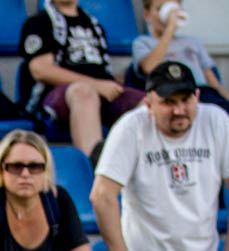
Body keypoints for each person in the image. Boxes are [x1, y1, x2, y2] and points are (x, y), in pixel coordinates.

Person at [90, 62, 229, 251]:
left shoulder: (216, 120)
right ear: (148, 104)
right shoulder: (131, 126)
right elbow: (101, 195)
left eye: (186, 100)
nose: (179, 110)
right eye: (168, 102)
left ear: (198, 97)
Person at [19, 0, 145, 161]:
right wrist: (95, 85)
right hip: (60, 97)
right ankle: (94, 167)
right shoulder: (38, 22)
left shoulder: (93, 24)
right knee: (84, 92)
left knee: (152, 102)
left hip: (103, 91)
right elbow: (40, 70)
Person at [131, 0, 229, 144]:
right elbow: (149, 67)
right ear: (147, 14)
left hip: (203, 93)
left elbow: (212, 80)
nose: (167, 14)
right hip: (168, 94)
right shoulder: (142, 43)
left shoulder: (193, 43)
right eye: (160, 9)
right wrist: (169, 29)